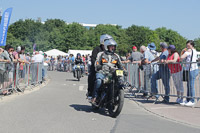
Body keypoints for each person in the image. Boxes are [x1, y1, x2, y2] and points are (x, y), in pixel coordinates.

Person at [91, 38, 123, 103]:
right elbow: (97, 62)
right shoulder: (101, 54)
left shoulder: (116, 56)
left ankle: (116, 96)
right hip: (102, 72)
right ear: (107, 46)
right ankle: (95, 96)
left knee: (119, 82)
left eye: (114, 46)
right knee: (99, 81)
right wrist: (98, 66)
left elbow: (120, 65)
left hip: (112, 73)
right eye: (111, 46)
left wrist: (124, 70)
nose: (113, 48)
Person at [180, 40, 198, 106]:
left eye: (188, 45)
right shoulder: (195, 51)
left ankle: (192, 100)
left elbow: (182, 57)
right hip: (191, 69)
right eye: (187, 45)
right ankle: (188, 99)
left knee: (191, 85)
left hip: (191, 70)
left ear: (192, 45)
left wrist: (183, 52)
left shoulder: (189, 51)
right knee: (189, 85)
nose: (187, 47)